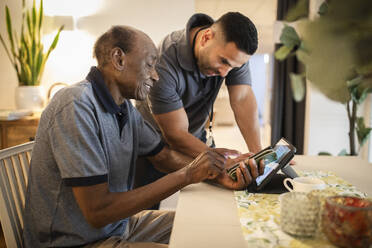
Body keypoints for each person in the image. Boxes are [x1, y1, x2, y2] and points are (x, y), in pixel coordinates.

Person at [22, 25, 257, 248]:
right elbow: (98, 212)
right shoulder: (75, 105)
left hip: (117, 227)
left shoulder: (126, 110)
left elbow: (163, 156)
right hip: (76, 241)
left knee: (209, 228)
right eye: (150, 65)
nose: (155, 77)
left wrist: (217, 174)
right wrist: (188, 174)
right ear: (118, 59)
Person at [136, 12, 262, 194]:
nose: (225, 73)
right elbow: (176, 134)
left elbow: (242, 99)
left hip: (194, 136)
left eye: (233, 67)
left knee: (212, 196)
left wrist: (259, 156)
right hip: (154, 143)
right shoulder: (163, 62)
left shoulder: (234, 55)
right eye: (223, 62)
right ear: (206, 38)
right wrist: (223, 163)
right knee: (145, 205)